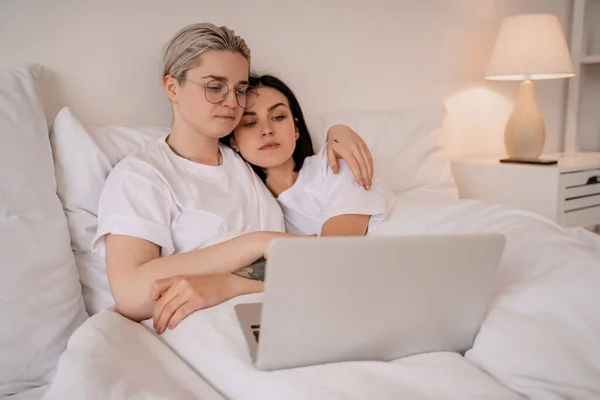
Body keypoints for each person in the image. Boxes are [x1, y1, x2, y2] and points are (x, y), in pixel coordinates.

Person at [90, 23, 375, 334]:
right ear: (172, 87)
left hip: (284, 319)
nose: (231, 102)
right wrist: (257, 243)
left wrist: (338, 131)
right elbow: (131, 293)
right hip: (205, 331)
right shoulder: (142, 175)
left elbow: (307, 257)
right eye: (215, 87)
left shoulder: (248, 165)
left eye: (240, 90)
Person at [224, 74, 396, 237]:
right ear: (234, 142)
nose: (267, 130)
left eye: (278, 117)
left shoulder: (334, 163)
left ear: (296, 129)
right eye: (250, 123)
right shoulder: (254, 209)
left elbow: (336, 252)